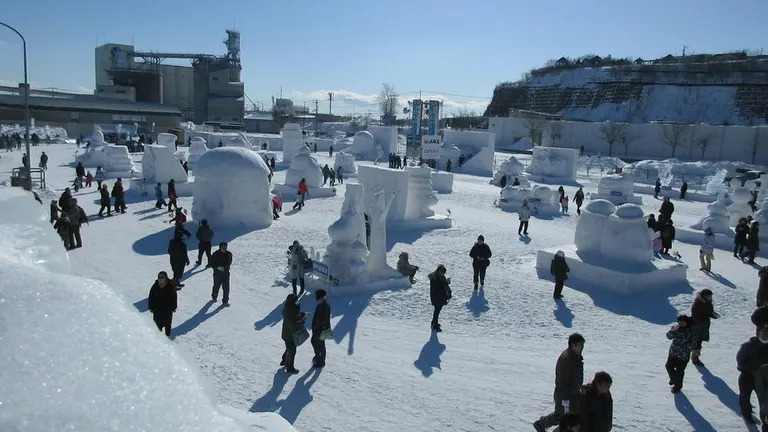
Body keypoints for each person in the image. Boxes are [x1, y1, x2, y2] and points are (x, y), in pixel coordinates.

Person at [533, 333, 585, 432]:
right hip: (565, 394)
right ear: (572, 345)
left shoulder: (575, 357)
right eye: (578, 345)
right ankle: (541, 423)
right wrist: (565, 400)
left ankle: (541, 423)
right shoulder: (567, 359)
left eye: (582, 345)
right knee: (564, 417)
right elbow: (562, 381)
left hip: (572, 393)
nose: (581, 348)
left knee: (565, 416)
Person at [737, 326, 768, 423]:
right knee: (745, 397)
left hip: (764, 378)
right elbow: (740, 361)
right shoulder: (748, 346)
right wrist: (750, 370)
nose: (766, 337)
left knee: (764, 400)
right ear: (758, 334)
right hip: (747, 377)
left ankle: (765, 419)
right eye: (764, 334)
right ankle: (747, 416)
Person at [665, 314, 697, 393]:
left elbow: (693, 344)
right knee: (668, 366)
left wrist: (685, 345)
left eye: (682, 322)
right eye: (679, 322)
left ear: (686, 322)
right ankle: (673, 379)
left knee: (679, 371)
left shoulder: (691, 331)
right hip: (673, 353)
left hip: (683, 356)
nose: (680, 324)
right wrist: (672, 330)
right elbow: (668, 336)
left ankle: (677, 386)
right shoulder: (676, 328)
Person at [690, 289, 719, 367]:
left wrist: (713, 315)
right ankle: (694, 358)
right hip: (697, 327)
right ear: (705, 296)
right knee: (697, 343)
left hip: (703, 326)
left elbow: (709, 312)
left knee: (699, 342)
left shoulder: (708, 303)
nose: (710, 297)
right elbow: (695, 316)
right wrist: (702, 321)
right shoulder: (698, 304)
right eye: (709, 296)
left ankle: (695, 357)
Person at [281, 293, 307, 374]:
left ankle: (284, 359)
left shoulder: (289, 308)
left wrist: (301, 315)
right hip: (290, 334)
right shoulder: (291, 310)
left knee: (289, 347)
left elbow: (295, 316)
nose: (298, 301)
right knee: (292, 350)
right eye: (296, 300)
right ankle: (290, 367)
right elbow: (295, 323)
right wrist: (302, 320)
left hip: (287, 334)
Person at [147, 271, 178, 337]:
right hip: (158, 310)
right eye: (159, 277)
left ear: (166, 278)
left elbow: (174, 297)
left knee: (168, 324)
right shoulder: (155, 286)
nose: (160, 279)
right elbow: (151, 297)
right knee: (157, 326)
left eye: (162, 277)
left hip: (168, 309)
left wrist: (174, 307)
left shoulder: (170, 285)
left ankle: (167, 337)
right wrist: (151, 307)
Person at [311, 288, 332, 368]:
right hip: (318, 329)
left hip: (321, 329)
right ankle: (318, 357)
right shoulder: (321, 305)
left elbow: (323, 320)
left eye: (319, 299)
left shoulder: (324, 307)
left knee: (319, 345)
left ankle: (320, 361)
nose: (317, 300)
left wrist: (318, 328)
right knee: (316, 343)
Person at [428, 264, 451, 332]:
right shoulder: (436, 278)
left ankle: (434, 322)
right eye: (442, 272)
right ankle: (435, 325)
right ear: (439, 271)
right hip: (437, 296)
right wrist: (446, 282)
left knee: (437, 311)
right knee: (437, 311)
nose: (443, 274)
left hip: (438, 296)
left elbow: (442, 285)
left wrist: (446, 282)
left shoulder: (438, 277)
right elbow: (440, 287)